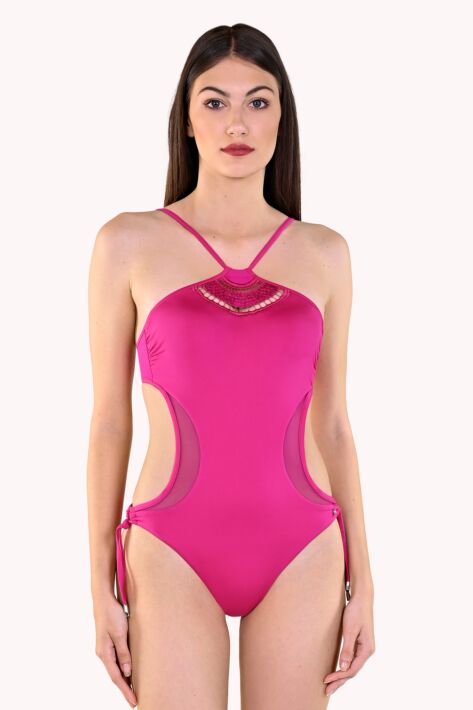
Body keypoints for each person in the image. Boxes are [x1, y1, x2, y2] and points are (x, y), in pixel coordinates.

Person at [87, 22, 375, 709]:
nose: (236, 122)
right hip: (170, 545)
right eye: (214, 102)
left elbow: (334, 423)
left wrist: (364, 581)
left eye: (258, 101)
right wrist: (99, 587)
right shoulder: (128, 243)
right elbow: (109, 423)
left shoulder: (324, 253)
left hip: (303, 544)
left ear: (282, 119)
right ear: (186, 120)